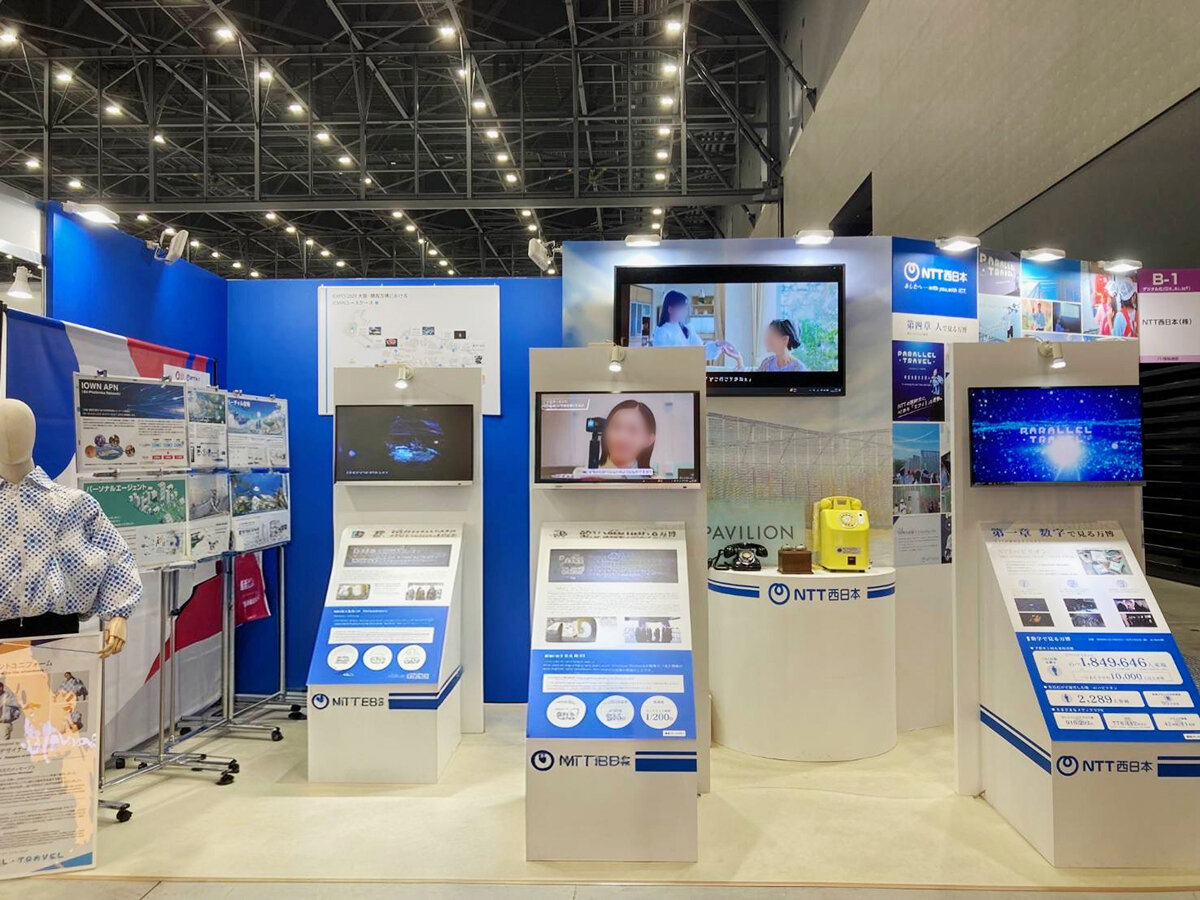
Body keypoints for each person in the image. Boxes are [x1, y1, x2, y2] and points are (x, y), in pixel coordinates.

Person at [650, 290, 737, 360]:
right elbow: (662, 359)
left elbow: (701, 350)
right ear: (670, 309)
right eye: (681, 308)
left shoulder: (687, 329)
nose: (684, 312)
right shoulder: (661, 332)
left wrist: (717, 345)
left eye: (685, 309)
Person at [599, 400, 657, 473]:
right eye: (616, 427)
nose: (621, 437)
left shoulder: (655, 479)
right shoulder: (589, 476)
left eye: (632, 430)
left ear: (649, 440)